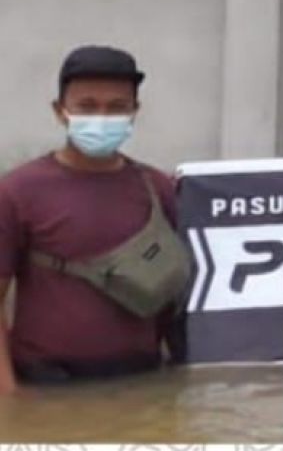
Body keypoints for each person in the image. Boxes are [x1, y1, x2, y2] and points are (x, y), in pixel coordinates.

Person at [0, 46, 184, 393]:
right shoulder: (16, 192)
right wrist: (9, 403)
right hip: (46, 386)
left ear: (134, 112)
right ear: (60, 111)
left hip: (142, 385)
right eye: (87, 106)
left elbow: (175, 302)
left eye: (117, 108)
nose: (102, 118)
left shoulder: (157, 189)